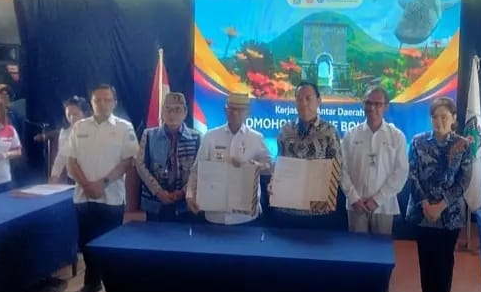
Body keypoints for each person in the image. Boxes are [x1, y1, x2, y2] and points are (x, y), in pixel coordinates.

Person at [340, 85, 408, 292]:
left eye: (378, 104)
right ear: (363, 105)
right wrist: (354, 197)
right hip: (356, 206)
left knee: (380, 261)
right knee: (357, 256)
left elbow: (401, 173)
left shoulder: (397, 136)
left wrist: (377, 199)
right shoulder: (351, 135)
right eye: (369, 103)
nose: (373, 108)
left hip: (384, 207)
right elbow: (342, 170)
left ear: (386, 107)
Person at [67, 84, 139, 292]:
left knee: (110, 243)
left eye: (107, 100)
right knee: (87, 244)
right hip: (83, 195)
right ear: (91, 103)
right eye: (98, 100)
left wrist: (103, 183)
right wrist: (87, 185)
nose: (102, 104)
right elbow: (71, 161)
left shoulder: (124, 127)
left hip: (112, 196)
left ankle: (114, 285)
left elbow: (129, 161)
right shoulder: (79, 127)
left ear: (114, 103)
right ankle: (91, 283)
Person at [406, 97, 471, 292]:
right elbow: (412, 175)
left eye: (444, 117)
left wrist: (441, 205)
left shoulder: (463, 145)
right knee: (426, 259)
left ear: (453, 118)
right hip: (422, 211)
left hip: (449, 214)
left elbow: (464, 181)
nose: (439, 121)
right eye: (435, 117)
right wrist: (425, 204)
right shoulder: (418, 142)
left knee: (444, 260)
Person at [268, 81, 346, 231]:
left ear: (319, 101)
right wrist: (273, 182)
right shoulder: (285, 131)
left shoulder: (329, 132)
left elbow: (337, 170)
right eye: (299, 99)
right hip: (287, 209)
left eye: (308, 98)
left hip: (317, 212)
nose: (304, 103)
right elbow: (279, 164)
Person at [186, 92, 271, 225]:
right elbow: (196, 170)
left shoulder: (256, 138)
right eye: (231, 108)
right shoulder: (210, 137)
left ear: (247, 112)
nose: (235, 113)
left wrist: (255, 166)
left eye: (239, 109)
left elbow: (269, 166)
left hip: (245, 217)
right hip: (214, 214)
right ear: (225, 110)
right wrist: (190, 194)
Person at [135, 93, 201, 223]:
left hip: (185, 203)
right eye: (168, 109)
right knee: (154, 235)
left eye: (177, 110)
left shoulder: (196, 137)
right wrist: (158, 191)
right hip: (155, 202)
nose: (172, 114)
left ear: (185, 112)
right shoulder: (149, 135)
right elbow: (140, 165)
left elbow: (199, 169)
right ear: (162, 112)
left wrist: (183, 192)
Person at [48, 96, 91, 184]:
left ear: (85, 113)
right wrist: (54, 176)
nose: (72, 118)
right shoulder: (65, 132)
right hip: (73, 179)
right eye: (69, 115)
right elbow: (61, 156)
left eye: (75, 114)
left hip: (93, 178)